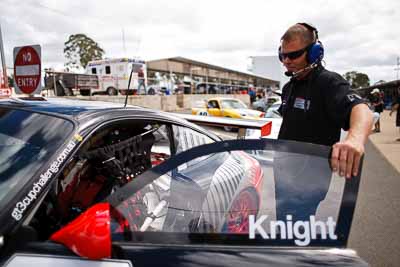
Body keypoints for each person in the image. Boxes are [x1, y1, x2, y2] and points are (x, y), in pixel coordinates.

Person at [274, 23, 373, 221]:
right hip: (283, 177)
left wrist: (354, 140)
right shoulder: (289, 87)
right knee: (282, 231)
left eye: (293, 55)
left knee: (296, 236)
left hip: (308, 184)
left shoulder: (329, 83)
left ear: (314, 53)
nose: (286, 61)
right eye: (282, 55)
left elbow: (361, 109)